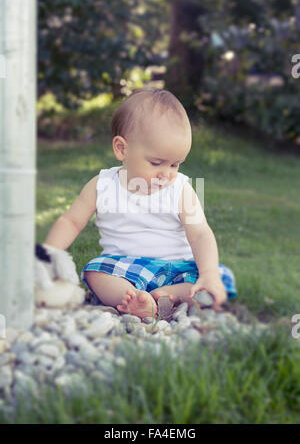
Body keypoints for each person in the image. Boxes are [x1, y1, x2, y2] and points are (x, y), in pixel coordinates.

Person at [44, 88, 237, 319]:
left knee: (218, 278)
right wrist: (49, 253)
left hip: (177, 268)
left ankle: (169, 294)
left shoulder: (181, 189)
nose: (166, 174)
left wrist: (208, 273)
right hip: (125, 270)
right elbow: (71, 221)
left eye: (175, 165)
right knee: (96, 272)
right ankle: (135, 299)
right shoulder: (103, 185)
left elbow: (200, 234)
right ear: (122, 149)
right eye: (156, 162)